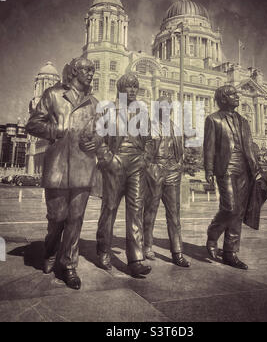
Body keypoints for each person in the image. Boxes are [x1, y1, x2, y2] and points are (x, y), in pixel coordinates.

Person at [26, 56, 98, 289]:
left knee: (75, 220)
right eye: (86, 69)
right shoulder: (53, 95)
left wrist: (95, 141)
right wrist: (55, 130)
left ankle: (68, 265)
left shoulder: (94, 103)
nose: (90, 73)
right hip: (58, 166)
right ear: (75, 72)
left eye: (92, 70)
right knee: (57, 218)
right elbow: (33, 124)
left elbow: (100, 133)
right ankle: (50, 250)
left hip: (83, 167)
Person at [96, 73, 152, 277]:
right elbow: (98, 140)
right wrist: (108, 159)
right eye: (129, 86)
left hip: (137, 162)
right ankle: (103, 249)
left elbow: (149, 139)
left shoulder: (141, 110)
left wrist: (145, 157)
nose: (133, 90)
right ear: (120, 89)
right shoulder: (108, 110)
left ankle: (136, 259)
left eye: (135, 86)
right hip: (116, 160)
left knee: (136, 209)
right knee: (110, 208)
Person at [204, 85, 261, 270]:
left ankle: (230, 252)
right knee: (230, 207)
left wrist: (256, 169)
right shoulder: (213, 119)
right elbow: (209, 147)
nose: (238, 96)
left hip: (244, 169)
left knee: (239, 211)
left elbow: (250, 146)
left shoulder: (243, 121)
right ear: (222, 98)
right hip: (225, 167)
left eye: (237, 94)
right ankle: (213, 233)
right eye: (233, 94)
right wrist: (209, 170)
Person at [143, 96, 190, 267]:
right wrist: (150, 169)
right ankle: (146, 245)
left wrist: (178, 166)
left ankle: (177, 252)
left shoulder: (175, 127)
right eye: (163, 106)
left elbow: (180, 151)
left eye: (169, 107)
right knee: (150, 212)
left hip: (172, 172)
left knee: (174, 215)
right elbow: (144, 151)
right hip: (155, 170)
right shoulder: (149, 125)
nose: (167, 109)